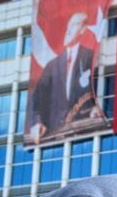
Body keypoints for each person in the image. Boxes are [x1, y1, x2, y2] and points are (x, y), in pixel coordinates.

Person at [28, 11, 102, 142]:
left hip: (84, 135)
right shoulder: (52, 66)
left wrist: (96, 108)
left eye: (73, 25)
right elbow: (37, 100)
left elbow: (100, 90)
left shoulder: (90, 58)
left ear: (83, 29)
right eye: (68, 26)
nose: (67, 30)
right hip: (53, 138)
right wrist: (36, 122)